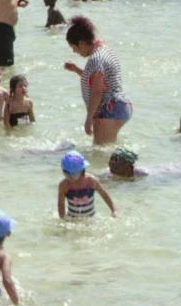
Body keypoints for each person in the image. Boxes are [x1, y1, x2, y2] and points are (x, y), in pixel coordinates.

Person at [62, 16, 131, 146]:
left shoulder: (95, 59)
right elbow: (98, 82)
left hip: (109, 110)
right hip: (119, 106)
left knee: (101, 153)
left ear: (82, 43)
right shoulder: (104, 50)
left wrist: (89, 118)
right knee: (107, 149)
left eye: (73, 47)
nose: (74, 51)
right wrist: (76, 69)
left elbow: (97, 91)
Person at [56, 152, 116, 219]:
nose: (67, 177)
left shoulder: (91, 181)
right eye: (65, 173)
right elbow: (61, 203)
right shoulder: (64, 185)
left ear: (82, 172)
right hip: (73, 218)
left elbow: (104, 194)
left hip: (90, 217)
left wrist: (114, 210)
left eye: (70, 175)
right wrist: (63, 219)